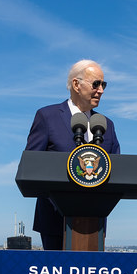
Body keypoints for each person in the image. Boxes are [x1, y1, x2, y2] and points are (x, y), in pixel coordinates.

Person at [24, 60, 120, 250]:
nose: (101, 90)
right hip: (54, 222)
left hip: (95, 224)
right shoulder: (47, 117)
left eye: (104, 85)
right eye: (96, 84)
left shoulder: (106, 125)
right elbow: (31, 166)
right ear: (76, 84)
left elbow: (117, 170)